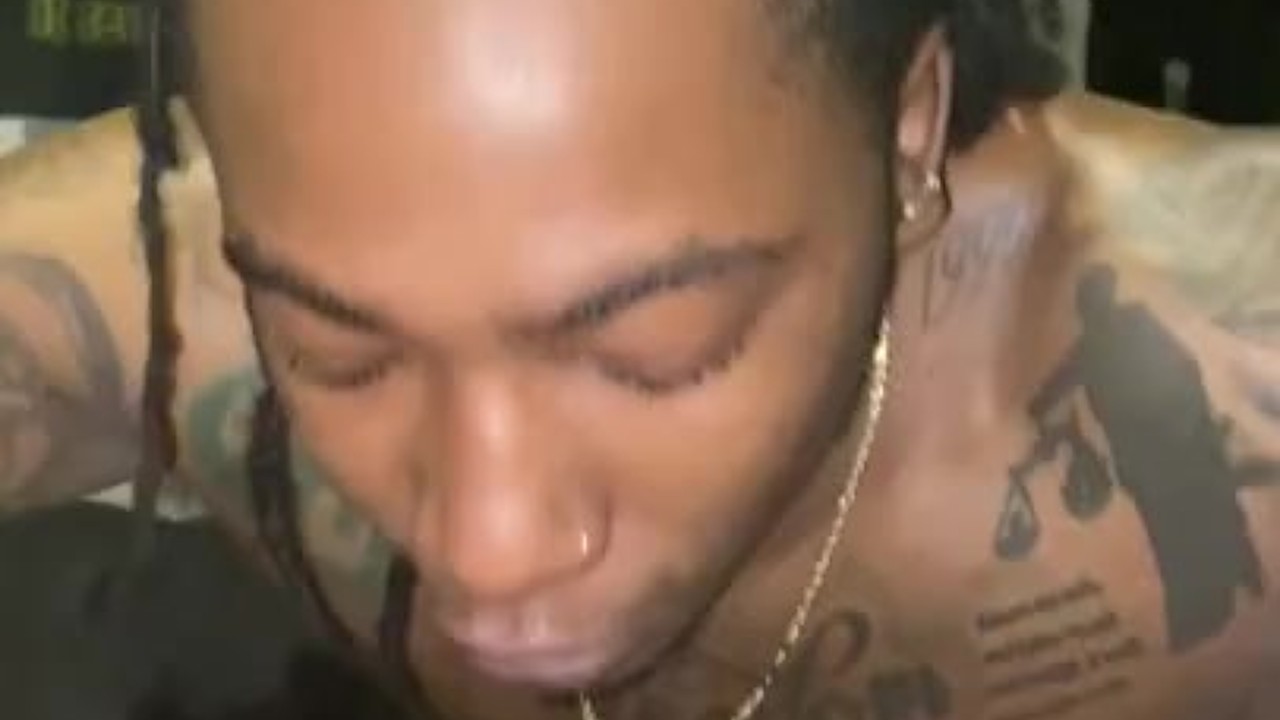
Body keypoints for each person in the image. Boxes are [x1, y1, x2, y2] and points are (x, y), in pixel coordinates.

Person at [0, 1, 1277, 719]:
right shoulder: (172, 285)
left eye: (652, 348)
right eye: (335, 352)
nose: (487, 552)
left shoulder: (1225, 353)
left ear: (905, 132)